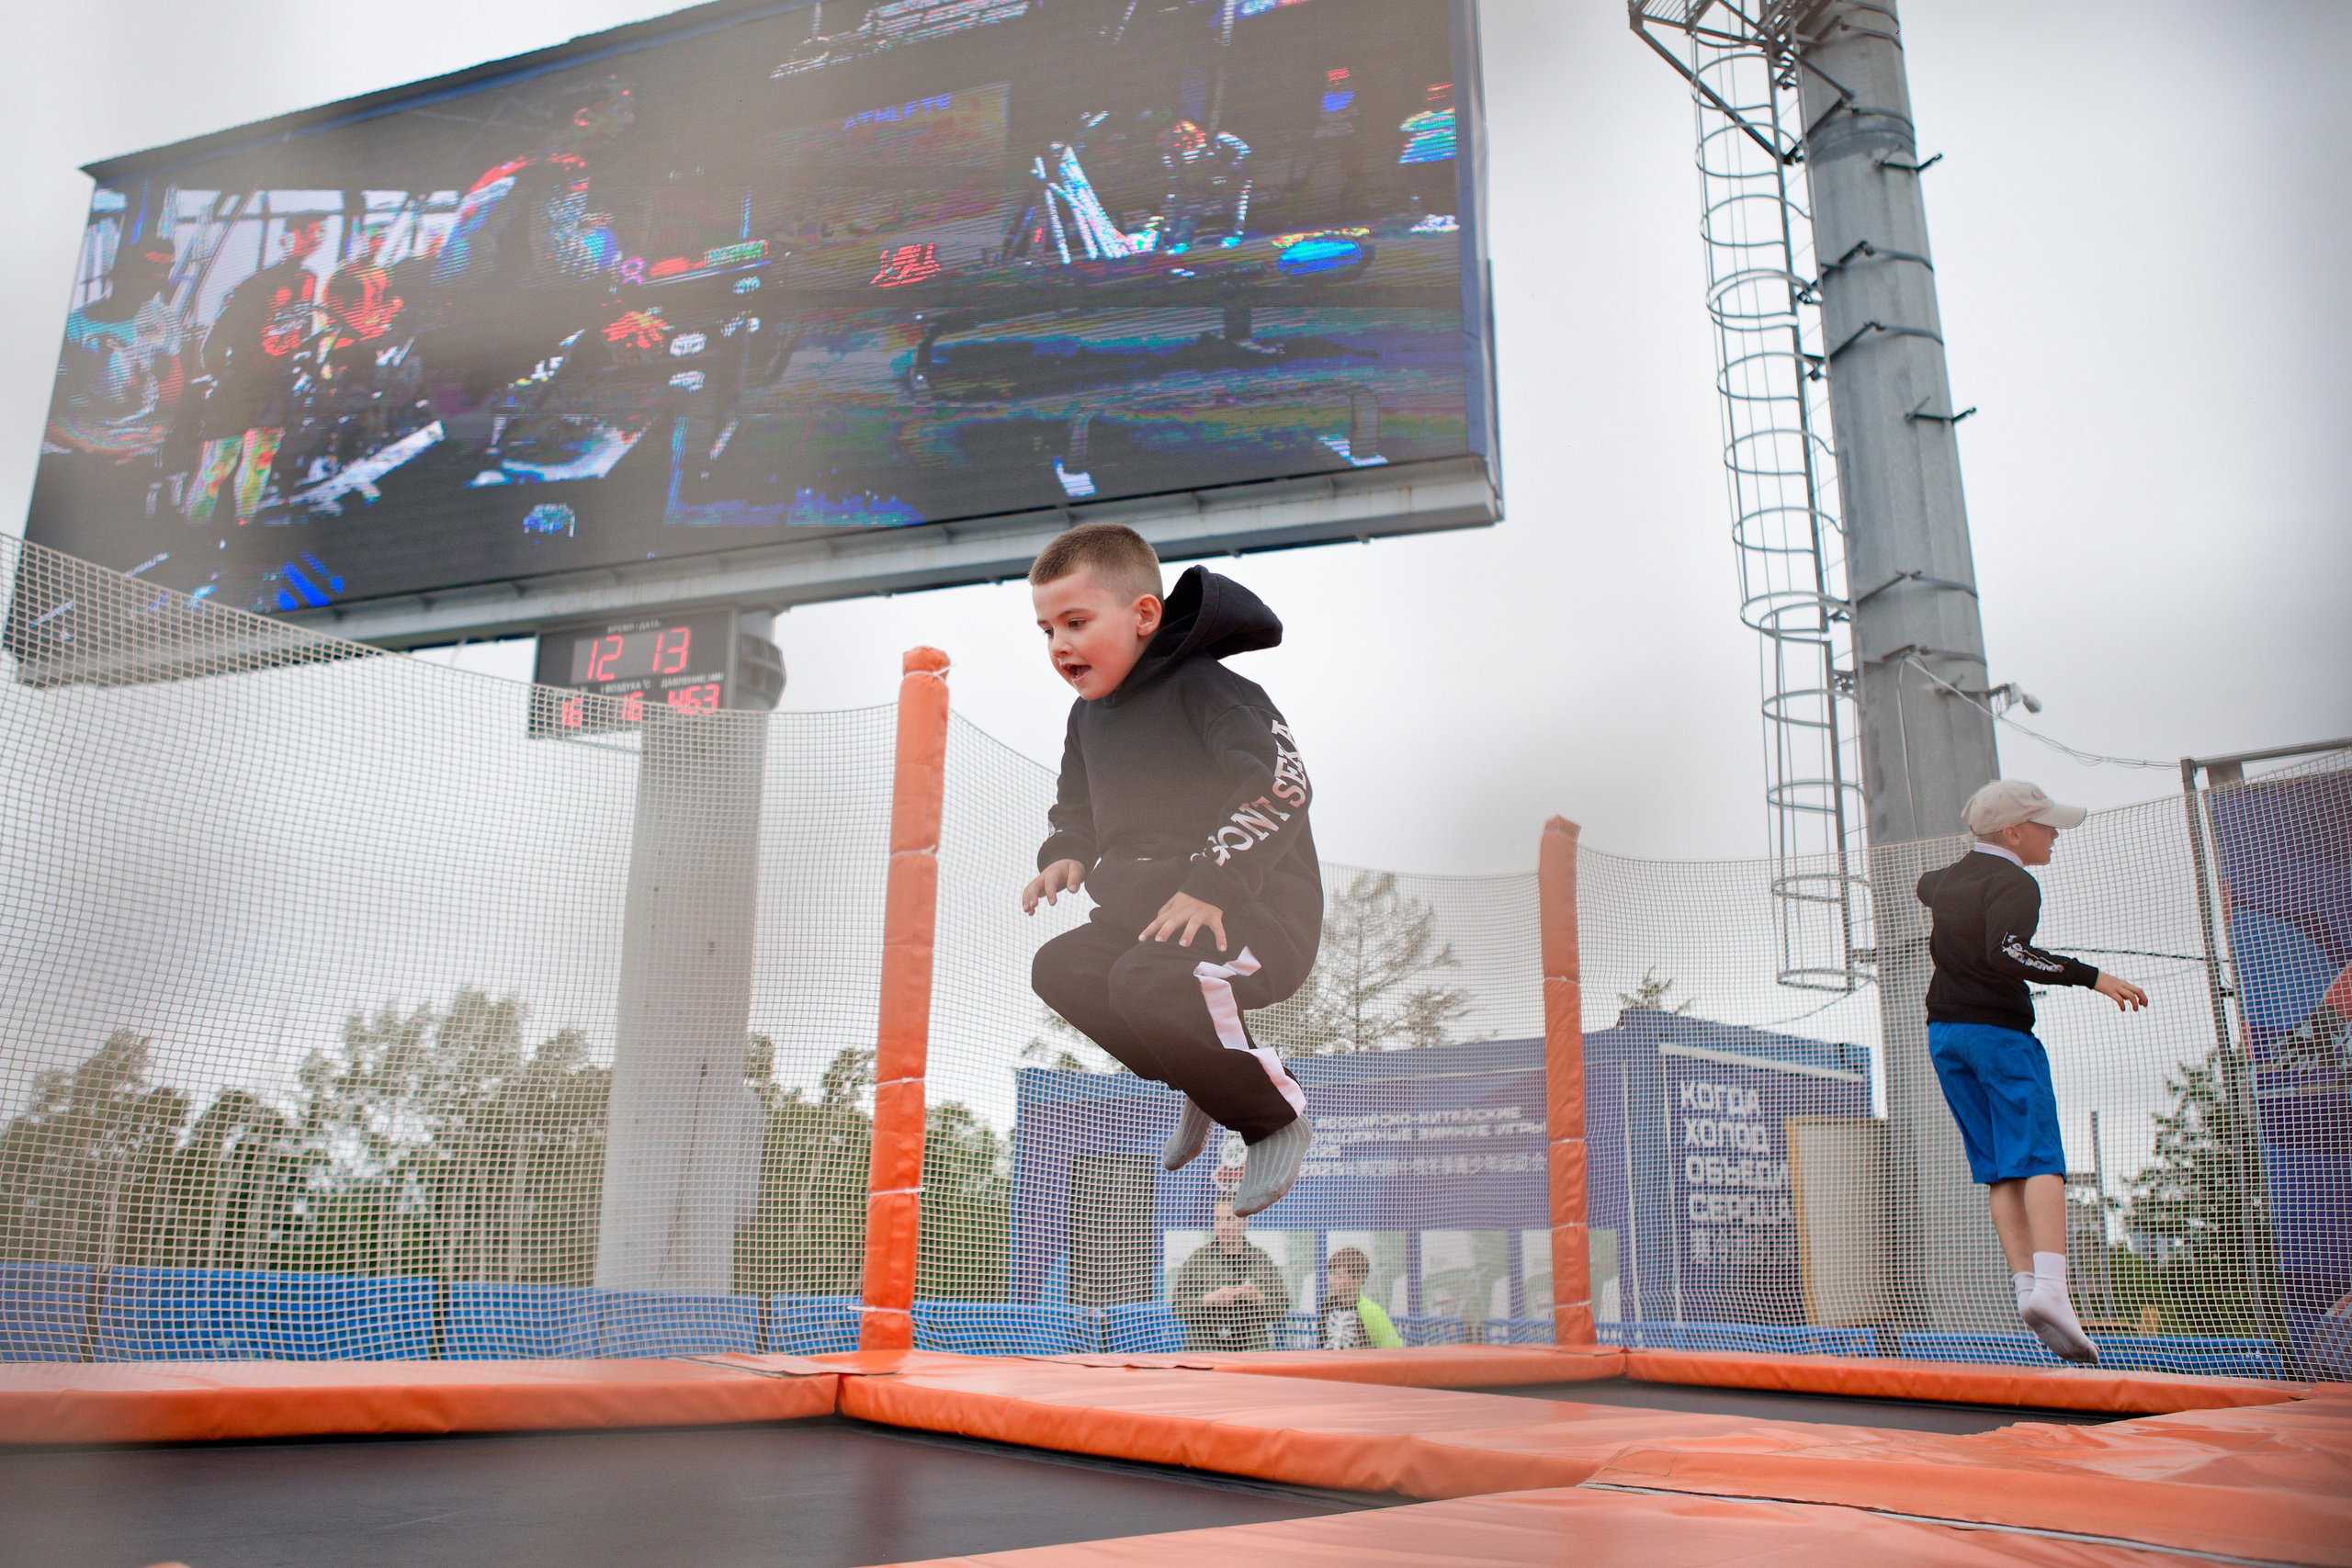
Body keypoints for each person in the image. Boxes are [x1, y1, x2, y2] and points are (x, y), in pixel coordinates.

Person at [1023, 523, 1322, 1216]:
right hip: (1149, 918)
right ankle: (1204, 1074)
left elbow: (1283, 785)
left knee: (1147, 977)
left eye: (1075, 621)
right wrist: (1065, 851)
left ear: (1143, 615)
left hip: (1255, 914)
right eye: (1046, 630)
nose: (1060, 645)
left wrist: (1210, 884)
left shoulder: (1212, 690)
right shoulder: (1087, 717)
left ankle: (1273, 1117)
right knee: (1062, 968)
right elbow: (1077, 803)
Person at [1917, 779, 2148, 1364]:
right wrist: (2091, 976)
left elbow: (1927, 885)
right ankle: (2052, 1289)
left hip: (1946, 1036)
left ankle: (2026, 1287)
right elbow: (2010, 951)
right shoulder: (2016, 880)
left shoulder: (1947, 881)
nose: (2055, 835)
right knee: (2040, 1157)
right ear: (2013, 834)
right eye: (2046, 827)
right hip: (1998, 1036)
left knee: (1999, 1169)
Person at [1170, 1199, 1290, 1352]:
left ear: (1244, 1221)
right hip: (1205, 1351)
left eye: (1229, 1219)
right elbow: (1177, 1308)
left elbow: (1282, 1305)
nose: (1223, 1227)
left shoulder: (1260, 1259)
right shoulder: (1198, 1259)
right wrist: (1208, 1300)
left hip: (1251, 1352)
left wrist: (1259, 1299)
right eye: (1218, 1219)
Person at [1317, 1246, 1402, 1349]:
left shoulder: (1372, 1312)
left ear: (1359, 1279)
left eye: (1338, 1276)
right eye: (1330, 1274)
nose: (1330, 1281)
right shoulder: (1326, 1307)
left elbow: (1393, 1348)